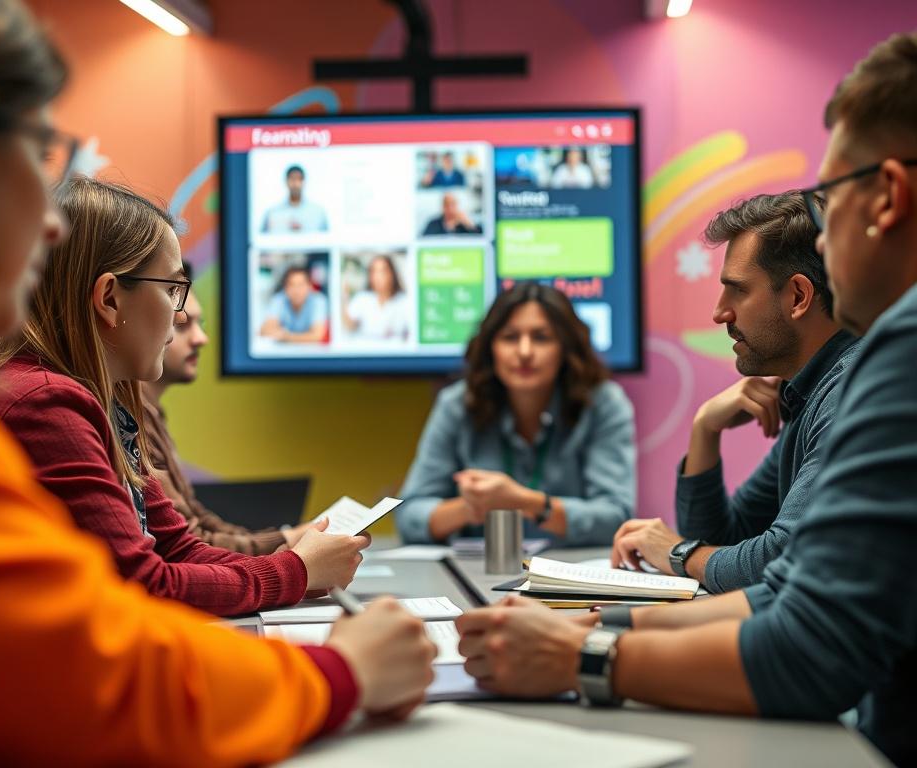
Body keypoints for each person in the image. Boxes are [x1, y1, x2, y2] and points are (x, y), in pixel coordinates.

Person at [0, 1, 435, 764]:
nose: (49, 228)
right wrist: (342, 670)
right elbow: (101, 666)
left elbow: (165, 554)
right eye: (40, 148)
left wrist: (288, 570)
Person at [455, 32, 917, 767]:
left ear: (888, 196)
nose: (823, 246)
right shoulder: (834, 382)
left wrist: (584, 655)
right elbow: (778, 584)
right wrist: (606, 623)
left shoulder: (893, 353)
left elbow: (808, 642)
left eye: (830, 202)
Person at [0, 177, 363, 617]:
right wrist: (294, 571)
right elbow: (144, 585)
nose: (179, 314)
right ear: (109, 298)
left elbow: (179, 548)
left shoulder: (102, 402)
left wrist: (294, 567)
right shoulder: (45, 403)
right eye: (171, 290)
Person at [610, 192, 858, 593]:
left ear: (798, 297)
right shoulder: (809, 392)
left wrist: (679, 553)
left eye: (737, 290)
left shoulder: (847, 392)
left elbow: (783, 557)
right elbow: (725, 541)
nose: (720, 312)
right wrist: (705, 428)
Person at [397, 283, 636, 545]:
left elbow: (616, 517)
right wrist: (471, 506)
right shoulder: (458, 403)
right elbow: (409, 516)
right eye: (510, 337)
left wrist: (525, 502)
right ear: (491, 348)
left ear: (565, 348)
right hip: (475, 574)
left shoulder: (603, 404)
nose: (524, 352)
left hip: (571, 576)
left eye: (541, 337)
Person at [142, 261, 317, 554]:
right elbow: (189, 544)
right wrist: (288, 551)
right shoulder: (132, 418)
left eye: (201, 324)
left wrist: (285, 539)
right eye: (182, 325)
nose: (201, 338)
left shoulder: (150, 414)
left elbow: (197, 522)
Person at [342, 254, 410, 341]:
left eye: (382, 271)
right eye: (374, 272)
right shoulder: (362, 299)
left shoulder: (404, 301)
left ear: (392, 274)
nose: (378, 277)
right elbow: (350, 325)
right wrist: (344, 297)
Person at [259, 263, 328, 343]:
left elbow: (317, 336)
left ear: (309, 286)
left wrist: (285, 336)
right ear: (285, 288)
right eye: (292, 285)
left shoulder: (318, 300)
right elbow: (264, 330)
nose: (296, 290)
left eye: (301, 285)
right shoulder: (279, 299)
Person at [261, 164, 328, 234]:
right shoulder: (273, 213)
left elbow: (325, 240)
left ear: (304, 182)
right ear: (286, 181)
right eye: (292, 179)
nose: (295, 183)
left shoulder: (318, 212)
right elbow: (263, 239)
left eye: (299, 179)